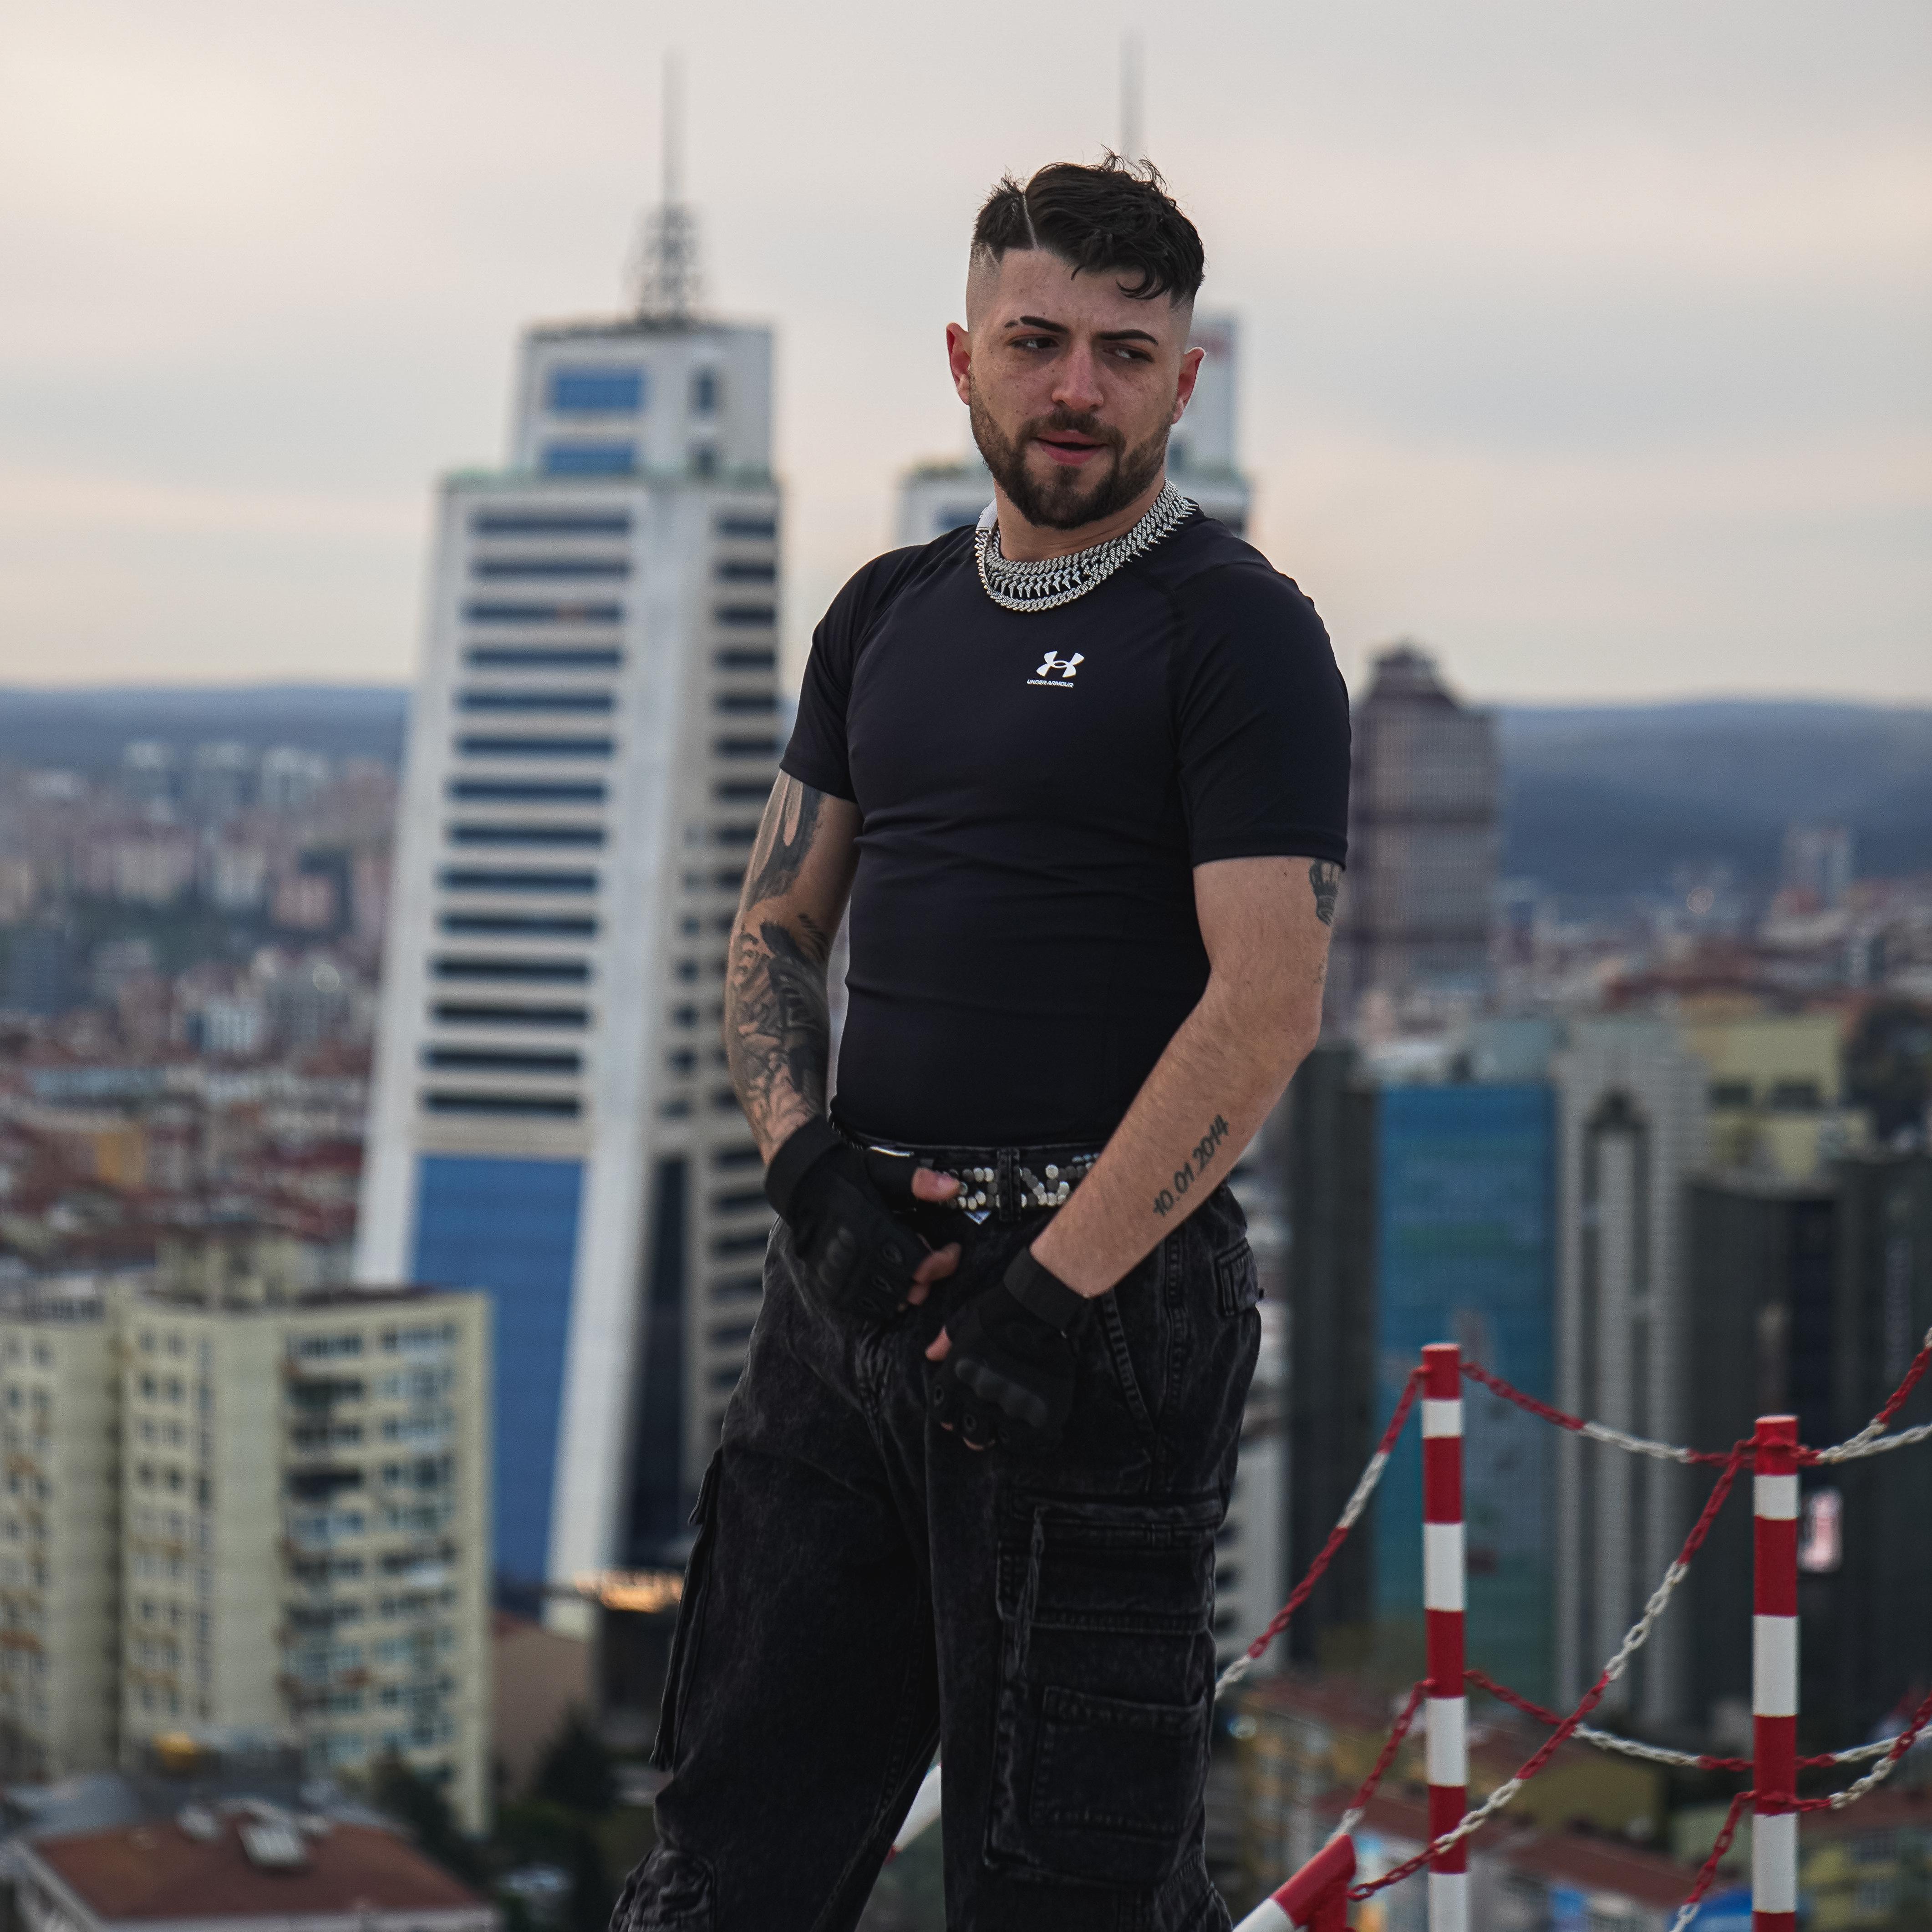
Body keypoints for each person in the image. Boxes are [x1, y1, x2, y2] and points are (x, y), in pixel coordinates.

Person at [616, 156, 1350, 1932]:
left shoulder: (1236, 629)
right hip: (846, 1290)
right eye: (1035, 341)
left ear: (1183, 381)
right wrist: (804, 1171)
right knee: (724, 1854)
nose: (1074, 388)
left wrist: (1056, 1287)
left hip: (1098, 1317)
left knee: (1063, 1883)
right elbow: (774, 927)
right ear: (964, 357)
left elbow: (1265, 999)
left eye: (1124, 351)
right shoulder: (881, 614)